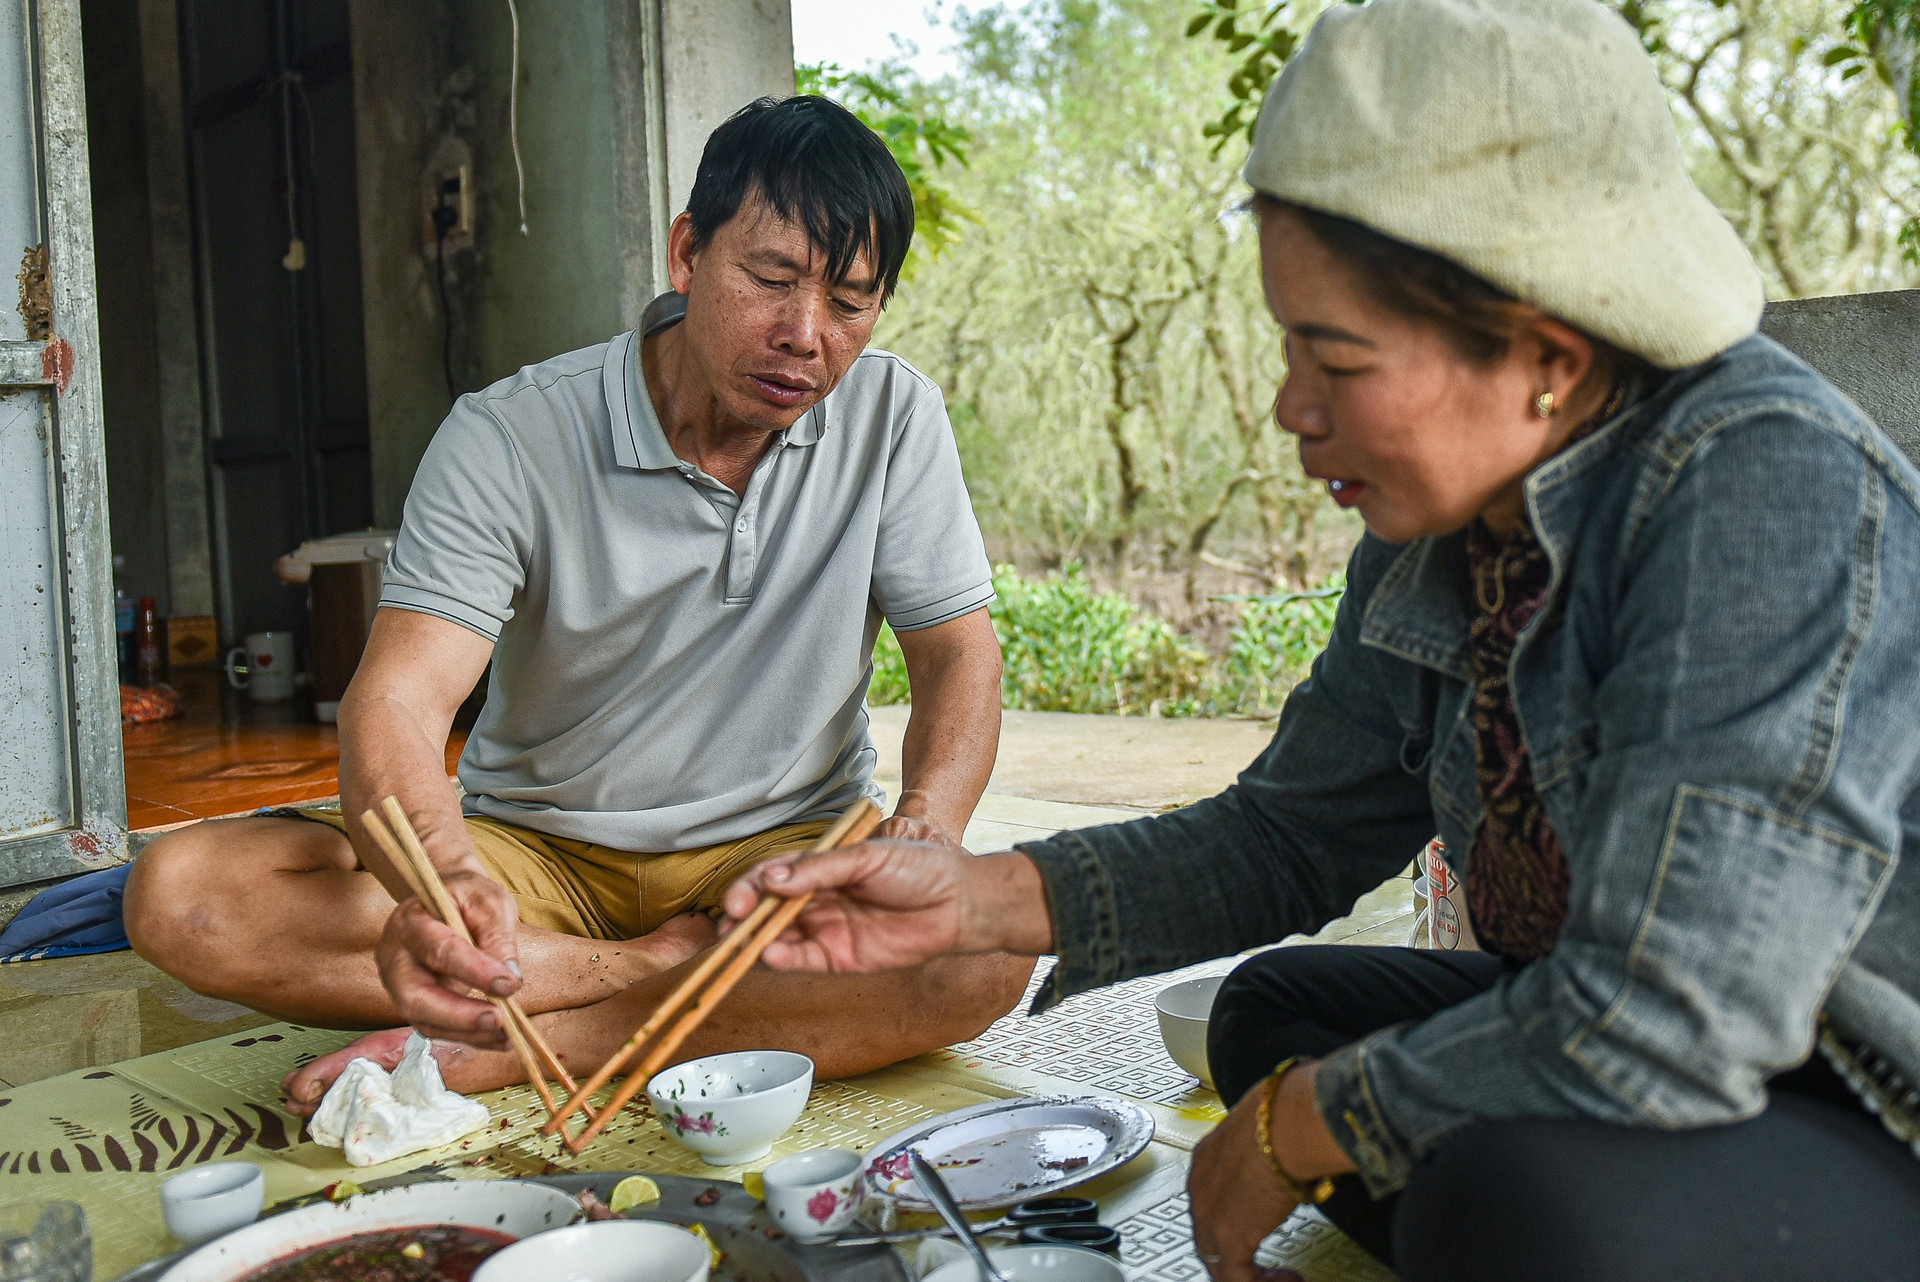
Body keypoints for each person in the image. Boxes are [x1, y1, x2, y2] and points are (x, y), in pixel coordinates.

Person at [719, 2, 1920, 1278]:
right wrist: (982, 899)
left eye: (1335, 359)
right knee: (1275, 1011)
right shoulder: (1446, 519)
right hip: (1598, 1035)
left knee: (1500, 1194)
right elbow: (1289, 835)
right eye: (1290, 346)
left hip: (1842, 1085)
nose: (1294, 410)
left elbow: (1678, 1007)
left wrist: (1316, 1123)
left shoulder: (1763, 487)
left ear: (1545, 353)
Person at [124, 95, 1034, 1111]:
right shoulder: (508, 436)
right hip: (537, 861)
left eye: (850, 303)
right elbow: (400, 704)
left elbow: (959, 654)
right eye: (770, 280)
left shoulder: (893, 416)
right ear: (688, 253)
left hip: (785, 863)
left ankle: (526, 1040)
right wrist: (446, 882)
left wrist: (926, 827)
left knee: (989, 946)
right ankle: (658, 974)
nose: (806, 336)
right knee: (186, 896)